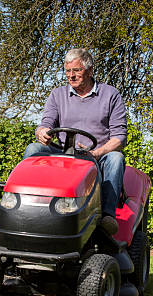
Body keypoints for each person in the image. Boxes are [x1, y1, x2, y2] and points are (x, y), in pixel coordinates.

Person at [24, 48, 127, 235]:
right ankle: (27, 204)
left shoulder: (110, 94)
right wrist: (42, 132)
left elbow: (119, 137)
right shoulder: (58, 95)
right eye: (68, 71)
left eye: (77, 71)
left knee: (116, 158)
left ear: (89, 70)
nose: (71, 76)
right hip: (63, 153)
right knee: (33, 149)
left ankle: (107, 216)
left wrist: (96, 153)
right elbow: (45, 123)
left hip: (96, 156)